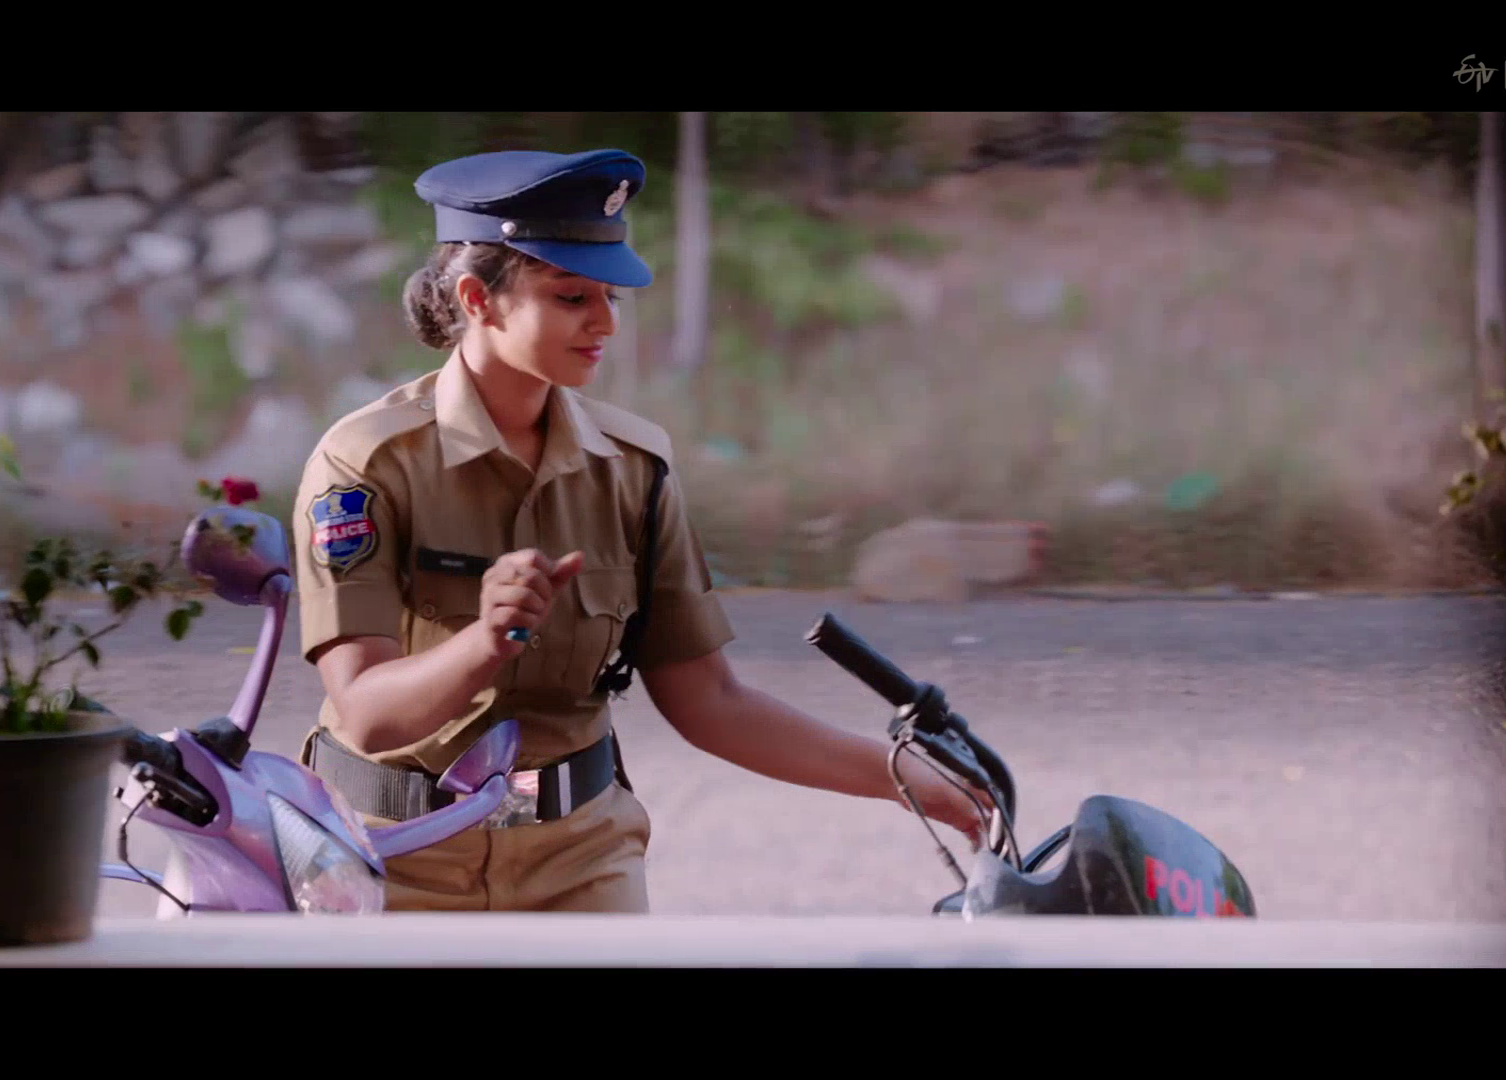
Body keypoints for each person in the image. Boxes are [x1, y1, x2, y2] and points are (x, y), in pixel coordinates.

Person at [291, 147, 990, 913]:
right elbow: (367, 714)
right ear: (478, 299)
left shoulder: (633, 470)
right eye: (571, 296)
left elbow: (711, 702)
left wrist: (905, 777)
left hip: (578, 861)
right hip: (392, 861)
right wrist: (484, 643)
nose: (605, 322)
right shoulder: (365, 464)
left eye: (611, 297)